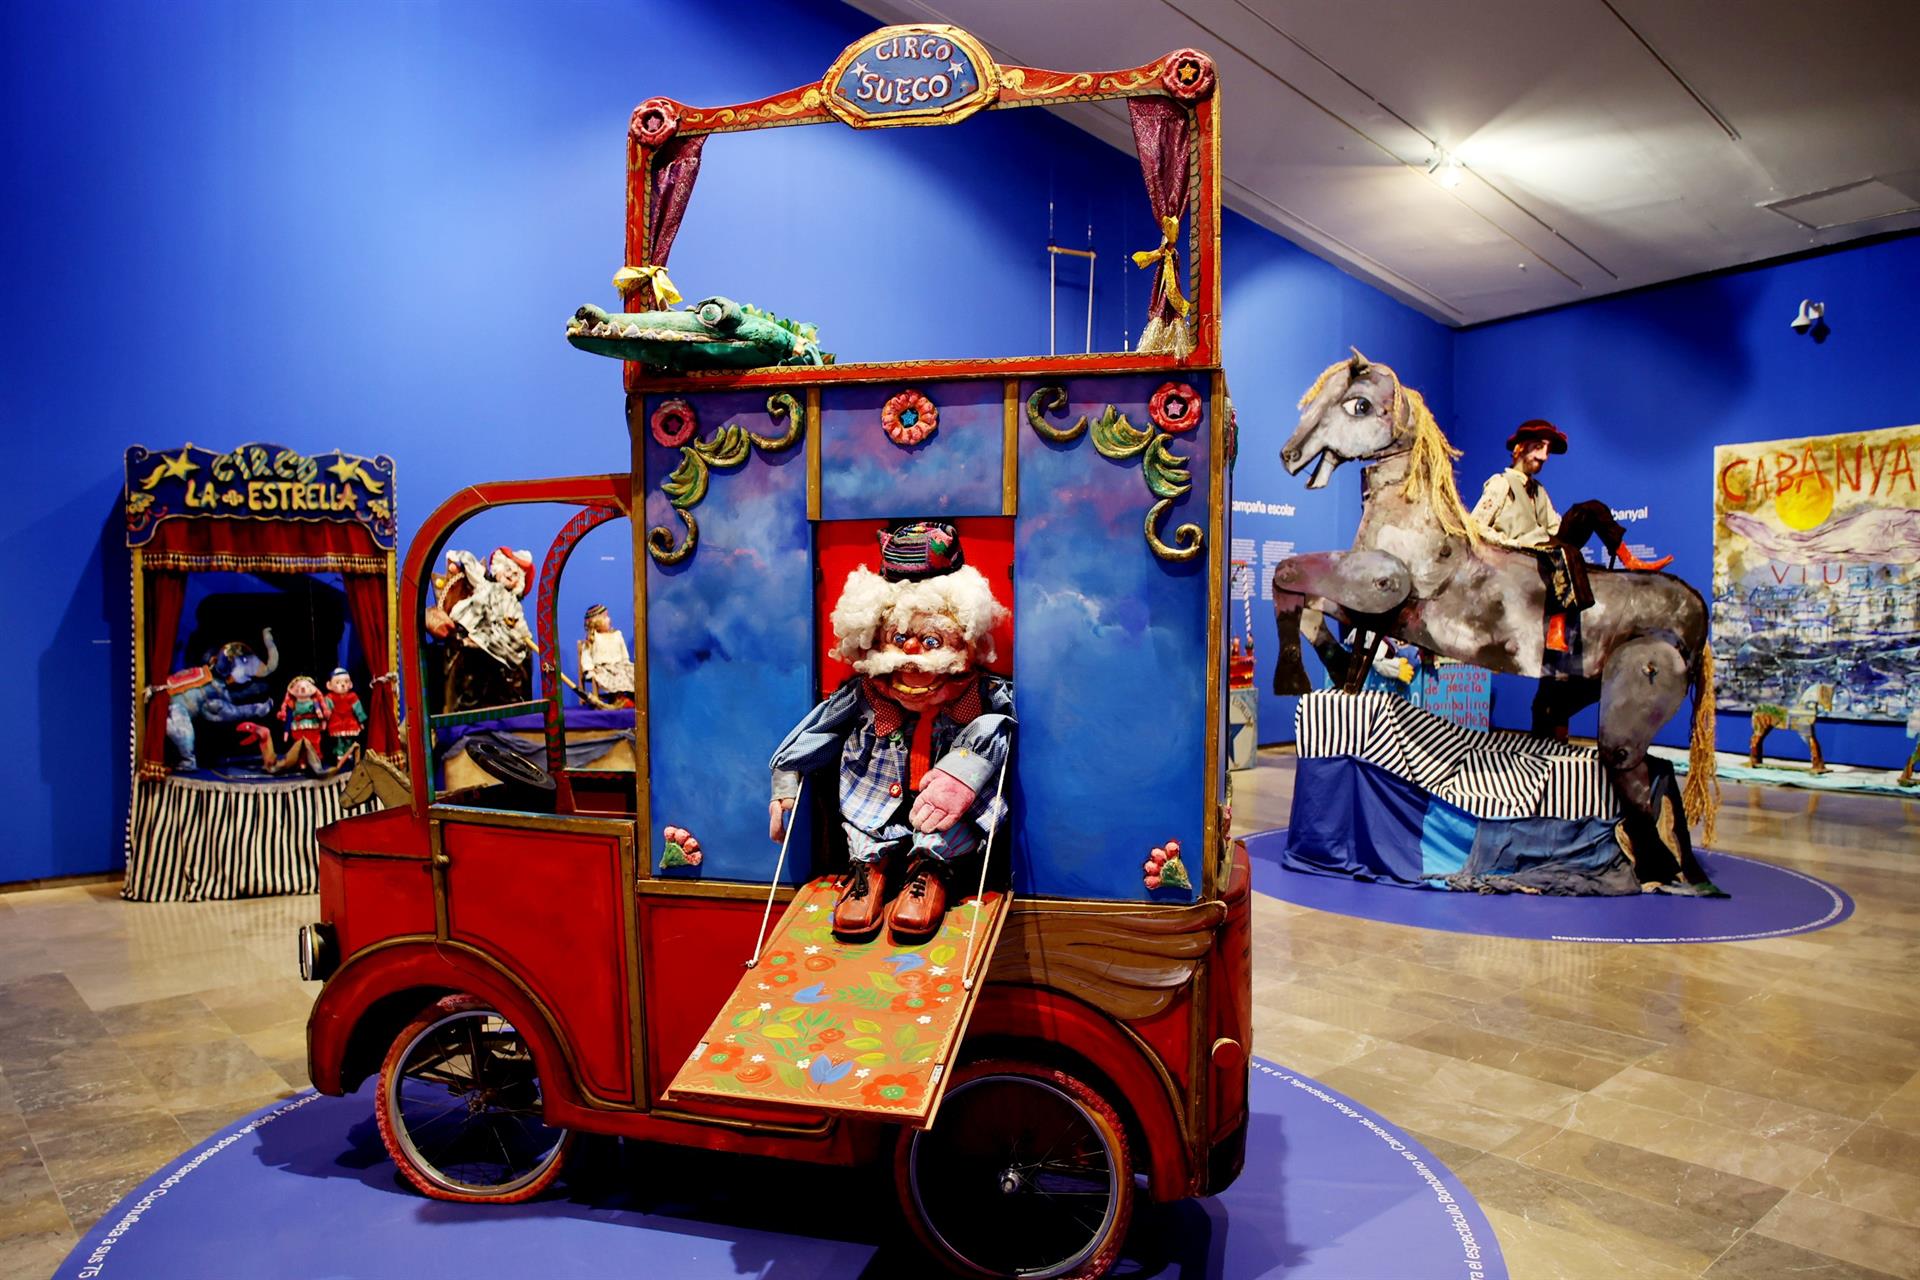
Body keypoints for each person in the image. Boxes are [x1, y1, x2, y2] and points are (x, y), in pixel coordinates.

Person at [767, 521, 1014, 944]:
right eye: (898, 638)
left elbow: (1002, 728)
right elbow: (820, 729)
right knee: (864, 827)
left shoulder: (980, 695)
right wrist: (786, 778)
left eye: (931, 640)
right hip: (873, 801)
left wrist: (963, 771)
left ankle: (930, 869)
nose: (911, 652)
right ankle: (870, 869)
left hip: (947, 820)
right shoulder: (866, 693)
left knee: (949, 831)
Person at [1470, 419, 1672, 651]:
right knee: (1564, 551)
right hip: (1520, 554)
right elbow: (1475, 527)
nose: (1544, 456)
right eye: (1539, 447)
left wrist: (1576, 523)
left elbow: (1553, 527)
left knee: (1591, 508)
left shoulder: (1538, 490)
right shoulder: (1501, 484)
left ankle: (1628, 558)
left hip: (1544, 545)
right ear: (1521, 448)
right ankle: (1556, 626)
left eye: (1547, 450)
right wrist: (1508, 543)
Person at [577, 603, 636, 707]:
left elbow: (623, 653)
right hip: (602, 668)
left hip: (619, 665)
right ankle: (618, 698)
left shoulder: (617, 635)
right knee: (611, 677)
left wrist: (626, 662)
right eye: (605, 617)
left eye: (608, 616)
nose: (609, 619)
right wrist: (589, 669)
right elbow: (586, 657)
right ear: (596, 621)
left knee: (631, 672)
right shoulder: (593, 638)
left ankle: (630, 696)